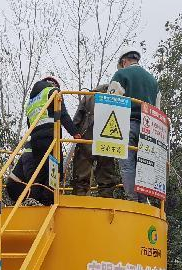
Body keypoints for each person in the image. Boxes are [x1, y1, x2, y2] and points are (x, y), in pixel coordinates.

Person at [11, 75, 82, 206]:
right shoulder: (53, 92)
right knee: (55, 170)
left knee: (41, 172)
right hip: (50, 138)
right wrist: (74, 133)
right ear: (53, 84)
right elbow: (63, 114)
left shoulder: (31, 102)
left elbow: (29, 123)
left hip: (35, 140)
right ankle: (48, 201)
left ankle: (36, 199)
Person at [108, 47, 161, 201]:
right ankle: (143, 202)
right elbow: (157, 110)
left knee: (127, 165)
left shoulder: (121, 75)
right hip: (149, 129)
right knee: (144, 166)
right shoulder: (153, 81)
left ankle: (132, 199)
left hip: (128, 124)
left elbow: (111, 103)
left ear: (124, 61)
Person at [71, 83, 118, 197]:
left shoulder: (88, 96)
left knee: (82, 172)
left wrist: (76, 133)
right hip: (107, 139)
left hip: (87, 137)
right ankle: (106, 199)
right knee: (106, 171)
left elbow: (77, 120)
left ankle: (80, 198)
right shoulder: (116, 100)